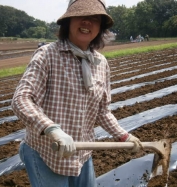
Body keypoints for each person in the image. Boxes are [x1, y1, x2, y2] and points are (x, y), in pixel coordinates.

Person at [11, 0, 142, 187]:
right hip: (47, 151)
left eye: (95, 19)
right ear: (69, 21)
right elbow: (22, 99)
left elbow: (102, 111)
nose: (87, 22)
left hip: (82, 153)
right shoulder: (47, 55)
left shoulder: (100, 63)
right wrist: (52, 129)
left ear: (100, 28)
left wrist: (124, 136)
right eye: (81, 16)